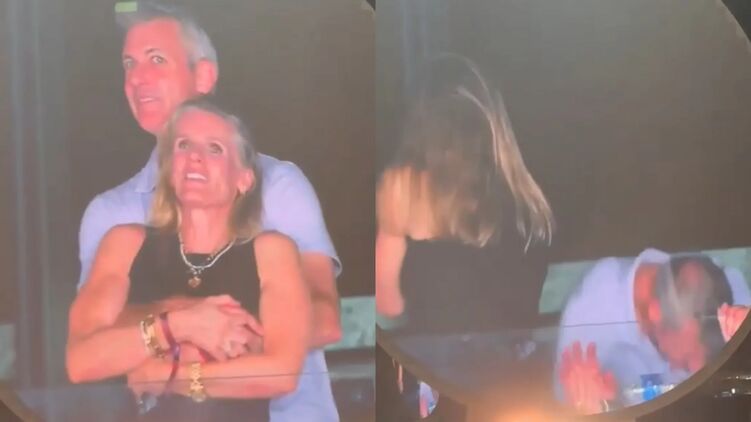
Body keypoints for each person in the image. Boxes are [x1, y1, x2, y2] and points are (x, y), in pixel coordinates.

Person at [77, 2, 341, 420]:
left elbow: (325, 318)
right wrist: (188, 319)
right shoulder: (109, 215)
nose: (137, 77)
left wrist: (189, 346)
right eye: (129, 63)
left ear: (203, 76)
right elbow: (93, 344)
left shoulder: (280, 184)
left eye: (156, 59)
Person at [67, 100, 312, 420]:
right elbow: (81, 362)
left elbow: (282, 373)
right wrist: (180, 325)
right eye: (183, 145)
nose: (194, 155)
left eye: (214, 148)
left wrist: (169, 375)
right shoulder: (125, 243)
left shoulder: (271, 251)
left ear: (244, 179)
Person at [375, 56, 554, 333]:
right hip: (512, 357)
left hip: (433, 356)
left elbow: (387, 304)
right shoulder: (527, 200)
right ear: (492, 121)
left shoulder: (404, 187)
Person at [555, 249, 751, 415]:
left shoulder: (730, 294)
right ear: (655, 313)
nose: (691, 374)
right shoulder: (586, 320)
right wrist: (597, 410)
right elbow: (561, 410)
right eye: (684, 363)